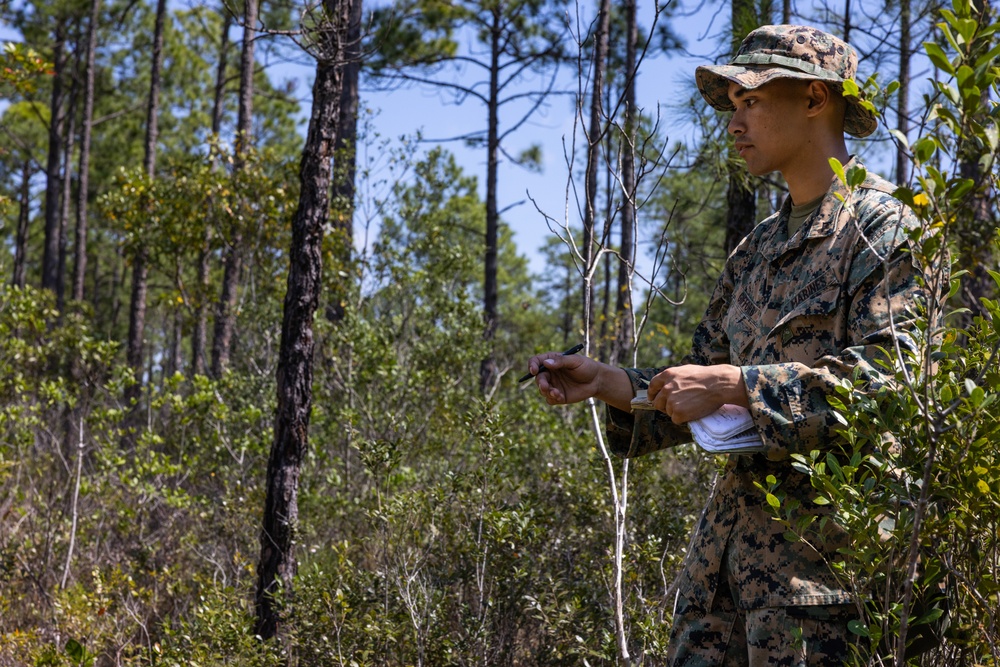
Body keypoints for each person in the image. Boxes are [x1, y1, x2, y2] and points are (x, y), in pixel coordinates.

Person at [526, 25, 941, 666]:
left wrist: (737, 386)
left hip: (823, 595)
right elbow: (701, 378)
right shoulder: (759, 249)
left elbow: (893, 387)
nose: (734, 121)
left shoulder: (883, 227)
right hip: (720, 592)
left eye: (750, 99)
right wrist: (608, 382)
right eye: (732, 104)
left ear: (813, 99)